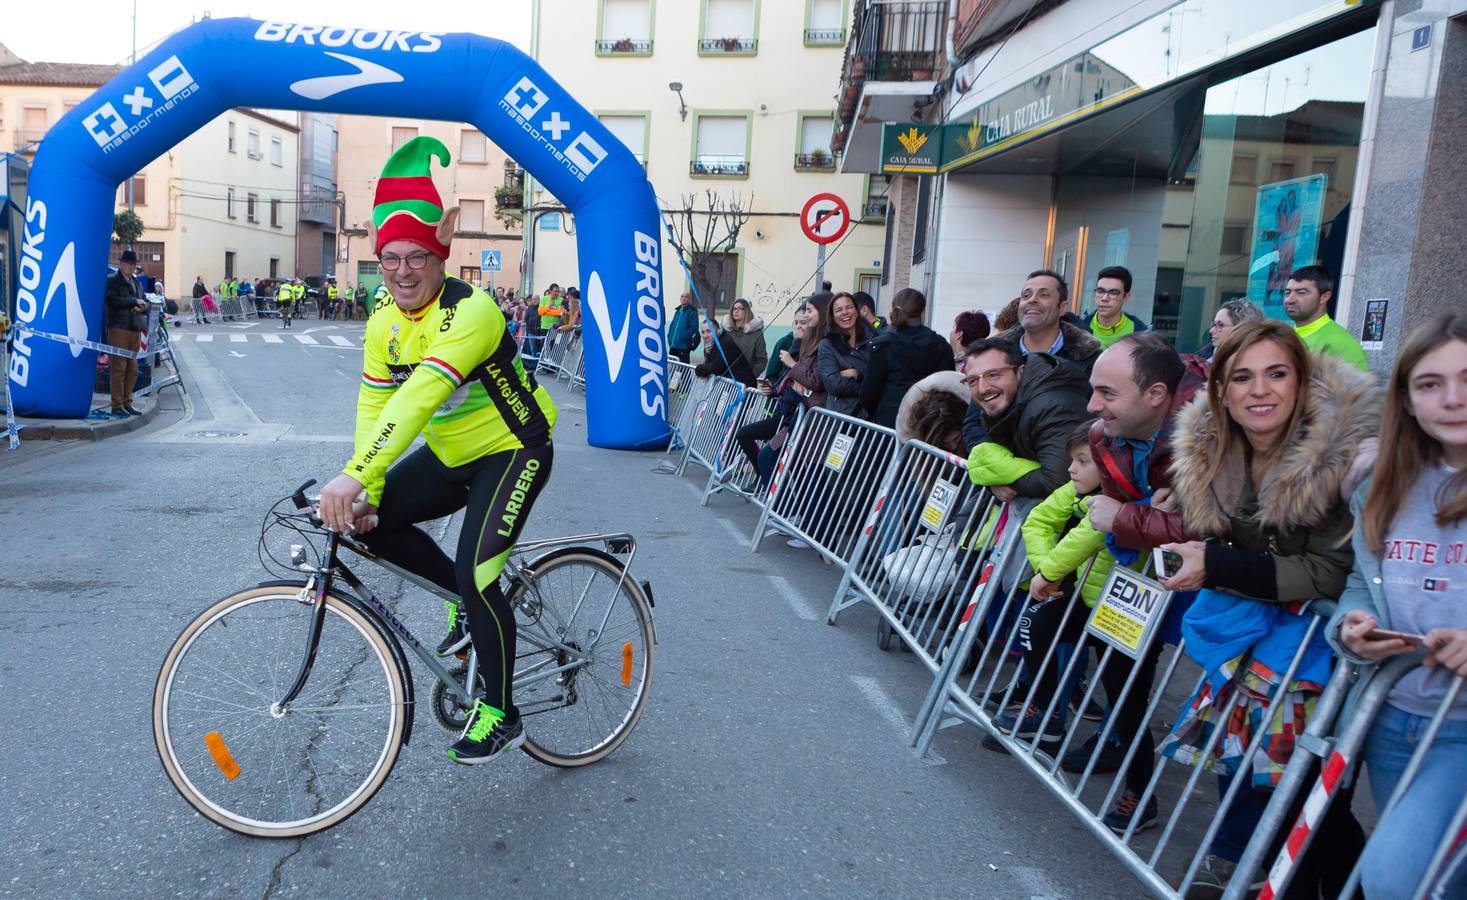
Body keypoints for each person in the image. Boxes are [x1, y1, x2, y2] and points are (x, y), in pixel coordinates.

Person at [316, 136, 557, 766]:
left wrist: (354, 475)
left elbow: (419, 397)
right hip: (453, 454)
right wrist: (361, 484)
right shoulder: (382, 323)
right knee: (368, 524)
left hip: (514, 449)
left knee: (480, 576)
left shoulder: (470, 311)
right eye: (389, 257)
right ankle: (469, 612)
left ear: (440, 256)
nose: (401, 270)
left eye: (416, 256)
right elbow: (376, 407)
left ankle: (501, 712)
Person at [1159, 320, 1376, 895]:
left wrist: (1220, 565)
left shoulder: (1342, 454)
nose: (1260, 391)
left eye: (1277, 374)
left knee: (1310, 801)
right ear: (1221, 391)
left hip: (1338, 657)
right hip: (1266, 655)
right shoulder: (1211, 453)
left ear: (1301, 382)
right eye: (1243, 377)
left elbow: (1333, 572)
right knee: (1279, 794)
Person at [1332, 314, 1467, 900]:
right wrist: (1352, 627)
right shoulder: (1383, 482)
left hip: (1460, 729)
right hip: (1391, 717)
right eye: (1430, 383)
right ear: (1408, 400)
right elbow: (1364, 585)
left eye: (1466, 379)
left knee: (1395, 879)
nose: (1452, 399)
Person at [1078, 332, 1208, 832]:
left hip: (1219, 592)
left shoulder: (1209, 435)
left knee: (1231, 714)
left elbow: (1207, 531)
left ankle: (1241, 854)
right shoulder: (1099, 436)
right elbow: (1108, 516)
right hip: (1139, 579)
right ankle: (1138, 783)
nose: (1094, 406)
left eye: (1108, 394)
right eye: (1094, 390)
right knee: (1116, 667)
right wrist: (1134, 520)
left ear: (1156, 395)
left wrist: (1129, 520)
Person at [999, 421, 1122, 741]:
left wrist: (1048, 575)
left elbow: (1088, 536)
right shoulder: (1074, 489)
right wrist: (1046, 572)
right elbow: (1038, 520)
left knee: (1125, 690)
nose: (1071, 469)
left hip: (1121, 604)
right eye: (1072, 460)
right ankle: (1046, 713)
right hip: (1085, 594)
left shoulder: (1118, 495)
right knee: (1034, 624)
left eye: (1083, 461)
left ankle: (1126, 763)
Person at [963, 271, 1101, 451]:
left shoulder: (1088, 359)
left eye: (1044, 295)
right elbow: (974, 421)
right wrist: (994, 462)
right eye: (1026, 295)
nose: (1032, 300)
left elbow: (1095, 422)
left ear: (1062, 307)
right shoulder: (993, 354)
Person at [962, 337, 1091, 501]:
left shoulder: (1053, 407)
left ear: (1020, 372)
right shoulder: (1001, 400)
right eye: (972, 381)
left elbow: (1057, 480)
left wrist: (999, 476)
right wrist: (992, 478)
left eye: (993, 375)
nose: (982, 388)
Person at [734, 302, 826, 486]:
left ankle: (777, 498)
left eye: (804, 322)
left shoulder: (815, 348)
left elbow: (812, 381)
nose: (799, 326)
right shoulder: (790, 343)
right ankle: (771, 489)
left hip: (798, 416)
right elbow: (780, 376)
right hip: (785, 410)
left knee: (782, 460)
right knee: (757, 446)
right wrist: (773, 389)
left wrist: (793, 371)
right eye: (796, 322)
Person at [861, 288, 952, 428]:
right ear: (921, 311)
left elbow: (869, 394)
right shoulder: (941, 345)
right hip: (930, 423)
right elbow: (947, 387)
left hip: (891, 422)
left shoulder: (883, 346)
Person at [1283, 265, 1368, 370]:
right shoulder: (1285, 335)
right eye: (1287, 293)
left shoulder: (1340, 343)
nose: (1289, 300)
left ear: (1324, 297)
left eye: (1301, 293)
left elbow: (1356, 386)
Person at [104, 250, 149, 418]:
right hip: (118, 327)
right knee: (118, 368)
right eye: (128, 263)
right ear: (121, 263)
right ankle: (117, 405)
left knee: (132, 369)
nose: (130, 266)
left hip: (133, 328)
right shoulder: (113, 281)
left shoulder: (136, 283)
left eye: (133, 264)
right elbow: (112, 300)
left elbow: (144, 299)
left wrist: (144, 306)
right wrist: (134, 301)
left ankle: (126, 402)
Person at [819, 292, 875, 417]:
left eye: (849, 307)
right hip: (841, 418)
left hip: (871, 417)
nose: (845, 312)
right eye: (838, 310)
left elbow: (880, 375)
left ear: (857, 311)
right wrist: (868, 388)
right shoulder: (827, 344)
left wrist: (856, 373)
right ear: (832, 316)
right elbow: (833, 384)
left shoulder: (873, 340)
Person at [1083, 266, 1150, 350]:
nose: (1104, 298)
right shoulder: (1081, 328)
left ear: (1126, 297)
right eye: (1100, 291)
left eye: (1113, 293)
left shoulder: (1140, 334)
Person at [695, 317, 756, 386]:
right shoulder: (710, 345)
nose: (705, 335)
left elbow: (715, 367)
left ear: (717, 330)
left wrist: (698, 369)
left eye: (709, 331)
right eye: (703, 332)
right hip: (731, 384)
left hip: (742, 385)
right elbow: (709, 365)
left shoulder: (724, 342)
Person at [1200, 298, 1264, 361]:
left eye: (1220, 325)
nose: (1211, 330)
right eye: (1213, 324)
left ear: (1241, 329)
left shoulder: (1260, 360)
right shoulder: (1199, 362)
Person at [722, 298, 768, 377]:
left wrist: (751, 375)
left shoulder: (756, 332)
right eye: (734, 308)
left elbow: (762, 360)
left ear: (747, 311)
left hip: (745, 382)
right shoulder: (726, 331)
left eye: (740, 308)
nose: (736, 311)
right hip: (724, 379)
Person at [667, 291, 701, 364]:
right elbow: (672, 325)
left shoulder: (692, 312)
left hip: (683, 347)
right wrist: (669, 336)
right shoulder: (677, 311)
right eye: (682, 296)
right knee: (671, 369)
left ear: (689, 299)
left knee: (681, 371)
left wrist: (682, 337)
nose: (683, 298)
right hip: (673, 346)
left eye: (686, 297)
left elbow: (694, 328)